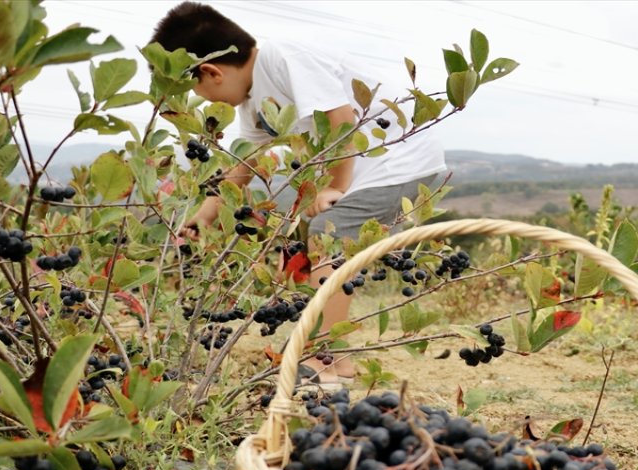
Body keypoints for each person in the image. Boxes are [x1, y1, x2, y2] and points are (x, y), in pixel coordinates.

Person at [151, 2, 446, 384]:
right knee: (313, 237)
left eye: (204, 94)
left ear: (212, 71)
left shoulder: (284, 57)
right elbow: (249, 162)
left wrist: (335, 187)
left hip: (403, 162)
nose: (210, 105)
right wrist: (204, 216)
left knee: (330, 229)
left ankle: (329, 358)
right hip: (370, 171)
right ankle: (326, 348)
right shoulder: (255, 100)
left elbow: (340, 117)